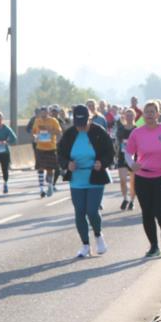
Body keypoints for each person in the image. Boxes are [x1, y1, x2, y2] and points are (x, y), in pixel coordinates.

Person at [125, 100, 161, 257]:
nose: (150, 115)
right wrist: (132, 164)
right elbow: (128, 152)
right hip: (143, 177)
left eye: (153, 112)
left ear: (158, 114)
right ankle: (153, 246)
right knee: (147, 213)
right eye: (147, 112)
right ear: (143, 115)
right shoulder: (137, 133)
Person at [58, 105, 114, 257]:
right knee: (79, 212)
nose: (81, 127)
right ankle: (85, 245)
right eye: (78, 124)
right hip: (77, 178)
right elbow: (61, 154)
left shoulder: (98, 132)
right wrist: (67, 164)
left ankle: (98, 235)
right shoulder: (69, 134)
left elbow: (110, 152)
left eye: (84, 124)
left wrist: (101, 162)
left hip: (95, 176)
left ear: (90, 119)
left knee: (92, 210)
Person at [31, 105, 62, 198]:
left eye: (45, 112)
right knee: (40, 168)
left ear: (48, 112)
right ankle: (41, 189)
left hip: (51, 148)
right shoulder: (37, 121)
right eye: (42, 112)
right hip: (40, 148)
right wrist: (35, 137)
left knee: (50, 169)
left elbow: (59, 132)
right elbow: (34, 132)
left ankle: (50, 186)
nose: (43, 113)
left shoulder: (53, 121)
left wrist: (50, 130)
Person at [115, 108, 138, 210]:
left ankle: (132, 200)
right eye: (127, 115)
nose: (129, 117)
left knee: (133, 181)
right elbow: (117, 142)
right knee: (123, 180)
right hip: (122, 155)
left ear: (134, 116)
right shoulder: (121, 129)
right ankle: (125, 198)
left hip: (134, 157)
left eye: (131, 115)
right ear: (124, 116)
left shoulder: (137, 129)